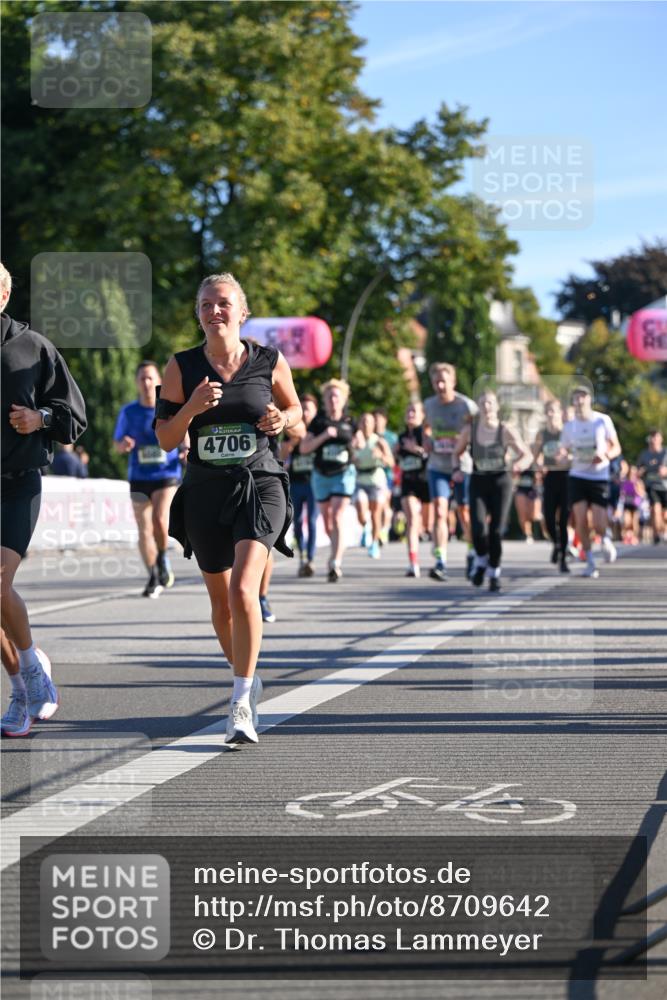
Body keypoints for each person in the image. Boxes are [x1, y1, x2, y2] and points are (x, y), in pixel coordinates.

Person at [154, 273, 301, 745]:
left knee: (243, 589)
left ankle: (239, 701)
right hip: (204, 489)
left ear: (242, 312)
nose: (214, 312)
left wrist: (283, 418)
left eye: (223, 303)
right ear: (198, 313)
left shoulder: (269, 361)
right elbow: (165, 438)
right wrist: (191, 409)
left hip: (260, 482)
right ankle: (247, 674)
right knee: (220, 604)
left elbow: (296, 410)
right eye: (205, 305)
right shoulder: (181, 367)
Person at [1, 262, 87, 736]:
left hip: (17, 482)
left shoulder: (33, 347)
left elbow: (74, 416)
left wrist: (39, 419)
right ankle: (20, 687)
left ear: (5, 293)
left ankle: (33, 672)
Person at [114, 361, 183, 598]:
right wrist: (123, 445)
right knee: (143, 530)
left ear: (159, 382)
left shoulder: (169, 408)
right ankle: (154, 575)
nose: (146, 383)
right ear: (136, 382)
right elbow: (117, 442)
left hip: (166, 473)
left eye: (150, 378)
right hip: (139, 475)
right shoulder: (129, 411)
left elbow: (183, 433)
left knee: (159, 520)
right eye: (142, 378)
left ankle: (162, 557)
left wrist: (185, 448)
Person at [453, 389, 532, 592]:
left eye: (490, 403)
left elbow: (527, 455)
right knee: (478, 527)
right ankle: (481, 561)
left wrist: (519, 465)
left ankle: (494, 572)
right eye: (482, 403)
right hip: (478, 481)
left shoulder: (505, 430)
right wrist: (457, 470)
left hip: (500, 482)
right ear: (478, 408)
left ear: (496, 407)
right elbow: (456, 453)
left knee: (496, 530)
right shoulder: (470, 430)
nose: (486, 407)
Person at [559, 386, 621, 578]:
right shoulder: (569, 426)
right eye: (576, 399)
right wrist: (563, 457)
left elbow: (616, 447)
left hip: (599, 477)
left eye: (583, 398)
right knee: (580, 520)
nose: (579, 401)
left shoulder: (602, 420)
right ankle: (591, 562)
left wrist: (605, 456)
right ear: (573, 402)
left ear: (589, 399)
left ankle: (605, 537)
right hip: (578, 476)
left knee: (599, 522)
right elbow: (562, 450)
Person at [423, 362, 476, 581]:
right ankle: (440, 560)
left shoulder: (466, 406)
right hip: (437, 465)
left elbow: (482, 429)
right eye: (437, 382)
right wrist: (426, 439)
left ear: (453, 382)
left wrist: (464, 440)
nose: (441, 386)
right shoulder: (429, 404)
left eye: (445, 381)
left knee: (464, 512)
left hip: (462, 465)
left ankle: (472, 550)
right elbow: (425, 426)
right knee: (440, 511)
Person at [300, 379, 355, 581]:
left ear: (343, 399)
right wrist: (324, 436)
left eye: (336, 396)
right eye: (329, 396)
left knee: (338, 516)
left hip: (343, 474)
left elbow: (359, 443)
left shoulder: (350, 421)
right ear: (324, 400)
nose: (333, 400)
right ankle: (335, 552)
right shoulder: (318, 422)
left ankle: (335, 562)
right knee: (327, 522)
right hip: (321, 474)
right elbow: (305, 448)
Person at [282, 393, 318, 577]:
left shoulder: (318, 429)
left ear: (315, 411)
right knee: (296, 522)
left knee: (311, 521)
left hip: (314, 483)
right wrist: (292, 443)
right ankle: (303, 556)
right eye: (302, 409)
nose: (305, 414)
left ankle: (310, 558)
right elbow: (281, 455)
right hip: (295, 482)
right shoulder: (292, 430)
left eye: (309, 409)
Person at [533, 399, 570, 572]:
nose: (550, 414)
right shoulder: (542, 434)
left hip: (566, 477)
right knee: (548, 518)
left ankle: (563, 557)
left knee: (563, 520)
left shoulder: (566, 432)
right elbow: (535, 456)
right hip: (550, 477)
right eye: (547, 411)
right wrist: (539, 465)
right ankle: (556, 544)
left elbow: (575, 454)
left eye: (553, 411)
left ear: (559, 413)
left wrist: (567, 459)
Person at [352, 412, 394, 559]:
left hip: (376, 480)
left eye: (369, 421)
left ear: (374, 424)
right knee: (361, 512)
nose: (365, 424)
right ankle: (366, 527)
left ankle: (374, 543)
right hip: (360, 479)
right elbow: (348, 460)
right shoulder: (355, 441)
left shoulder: (379, 441)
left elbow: (391, 462)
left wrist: (381, 456)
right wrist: (352, 452)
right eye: (363, 421)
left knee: (376, 514)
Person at [395, 401, 430, 577]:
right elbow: (396, 460)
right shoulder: (401, 437)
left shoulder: (426, 434)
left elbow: (431, 455)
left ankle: (439, 557)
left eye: (414, 411)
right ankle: (413, 562)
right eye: (408, 411)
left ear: (422, 415)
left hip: (426, 482)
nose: (410, 414)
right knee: (412, 520)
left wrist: (415, 449)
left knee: (427, 523)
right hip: (408, 482)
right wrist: (395, 453)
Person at [637, 429, 667, 544]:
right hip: (651, 486)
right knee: (655, 510)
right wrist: (640, 473)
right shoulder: (644, 454)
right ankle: (656, 535)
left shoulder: (665, 453)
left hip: (665, 486)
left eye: (656, 437)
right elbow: (638, 470)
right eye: (652, 438)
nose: (654, 440)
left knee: (665, 515)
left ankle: (663, 531)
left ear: (661, 439)